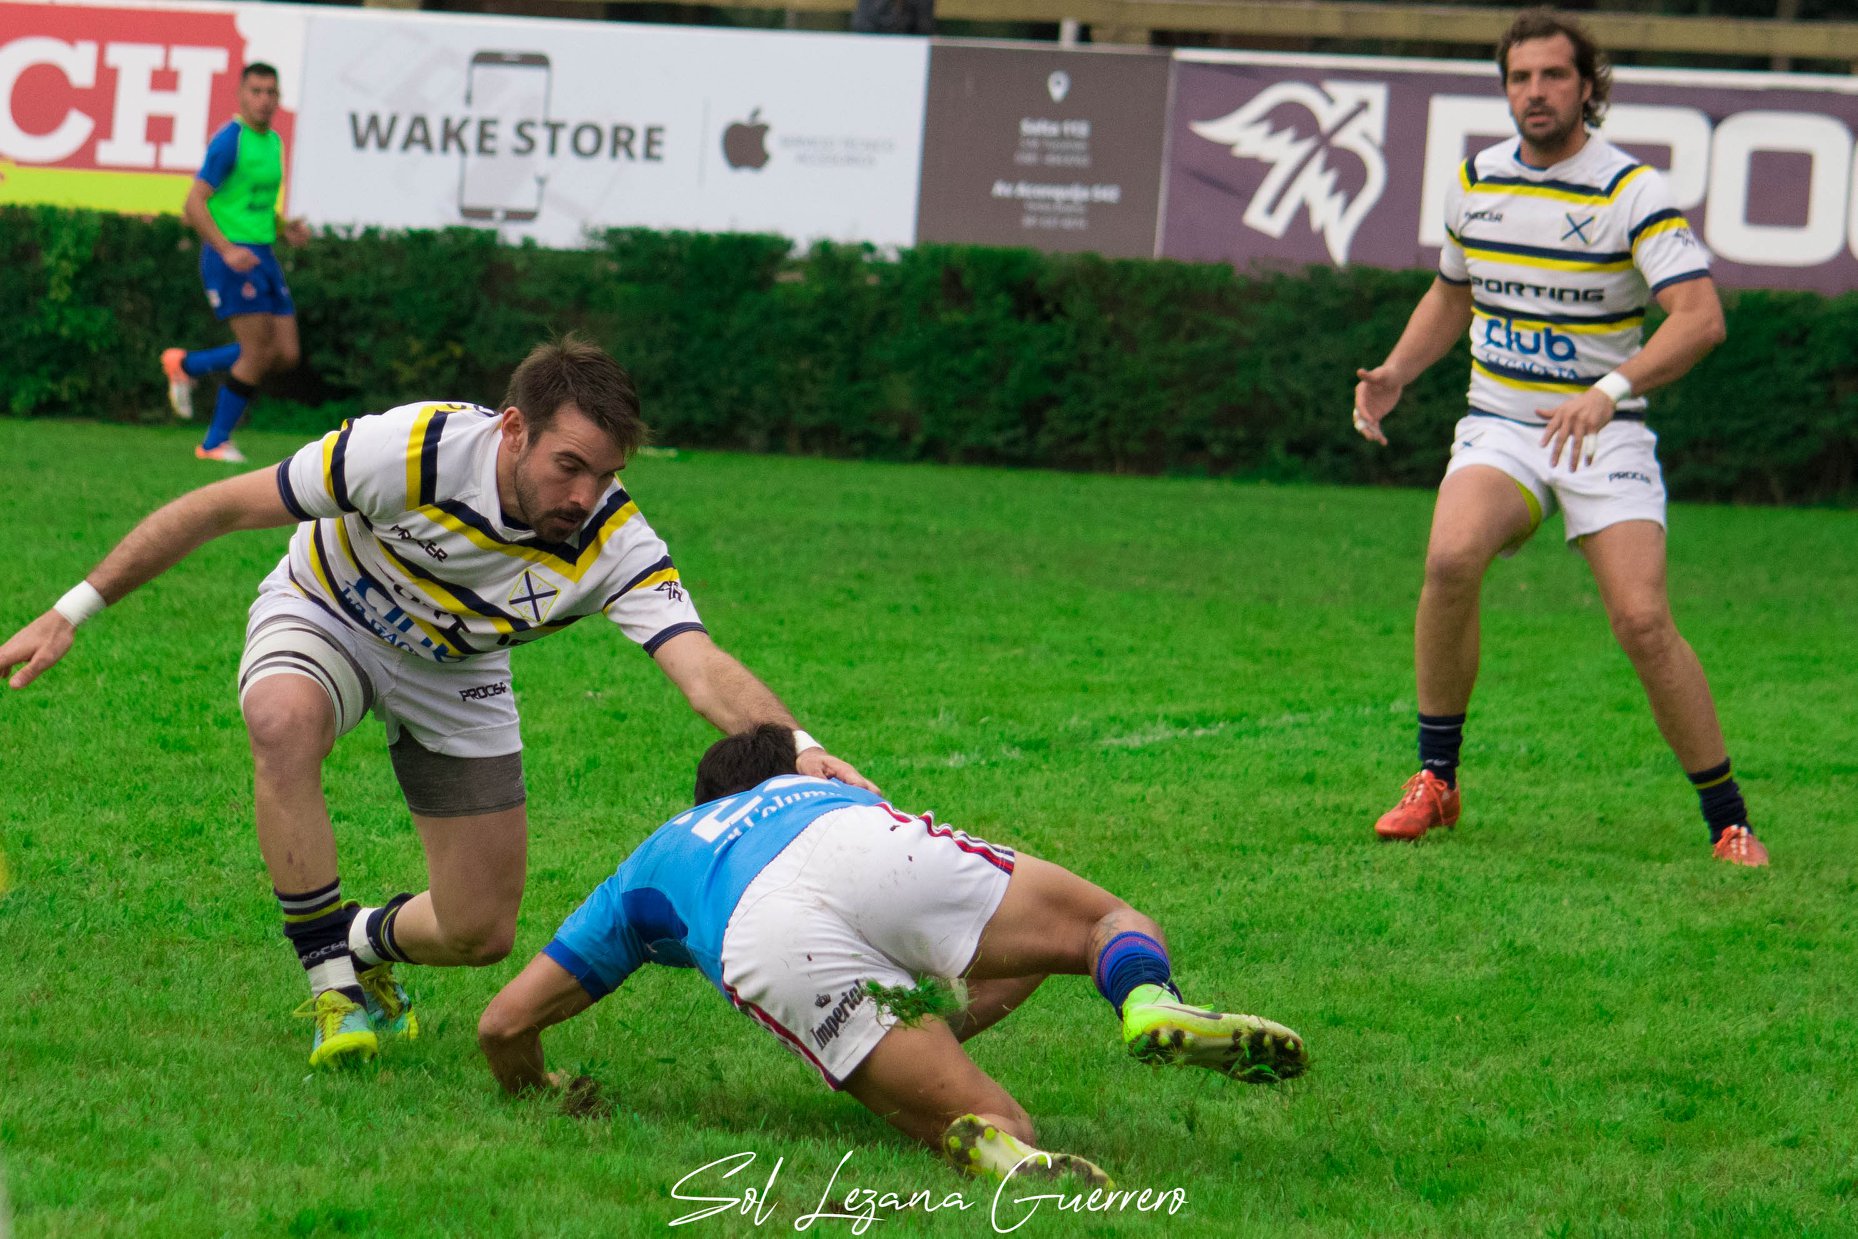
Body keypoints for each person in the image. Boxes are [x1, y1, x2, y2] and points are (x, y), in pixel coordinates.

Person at [1, 336, 875, 1069]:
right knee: (281, 718)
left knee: (479, 928)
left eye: (603, 474)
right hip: (329, 608)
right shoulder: (408, 450)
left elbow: (700, 666)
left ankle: (364, 944)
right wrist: (72, 610)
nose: (583, 494)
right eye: (568, 465)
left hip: (457, 670)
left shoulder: (612, 539)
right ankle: (329, 988)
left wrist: (796, 743)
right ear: (514, 429)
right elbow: (217, 507)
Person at [477, 724, 1308, 1184]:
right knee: (1098, 927)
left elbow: (502, 1023)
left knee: (991, 1117)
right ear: (783, 770)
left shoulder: (650, 861)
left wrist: (539, 1084)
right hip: (860, 843)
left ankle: (996, 1144)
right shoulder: (820, 783)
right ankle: (1147, 999)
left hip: (756, 931)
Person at [1351, 9, 1763, 866]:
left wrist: (1608, 391)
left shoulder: (1631, 191)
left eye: (1552, 76)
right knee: (1449, 558)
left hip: (1603, 436)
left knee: (1644, 622)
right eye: (1519, 78)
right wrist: (1396, 372)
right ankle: (1436, 778)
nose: (1534, 92)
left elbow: (1703, 318)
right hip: (1501, 423)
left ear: (1587, 87)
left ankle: (1728, 819)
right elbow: (1452, 294)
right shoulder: (1476, 181)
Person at [162, 62, 310, 464]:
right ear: (241, 95)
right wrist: (226, 249)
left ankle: (188, 365)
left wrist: (283, 228)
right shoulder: (230, 141)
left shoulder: (274, 142)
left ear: (279, 99)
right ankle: (213, 443)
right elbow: (193, 204)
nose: (264, 100)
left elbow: (250, 204)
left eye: (270, 93)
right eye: (256, 91)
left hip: (262, 253)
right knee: (257, 349)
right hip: (231, 255)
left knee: (285, 353)